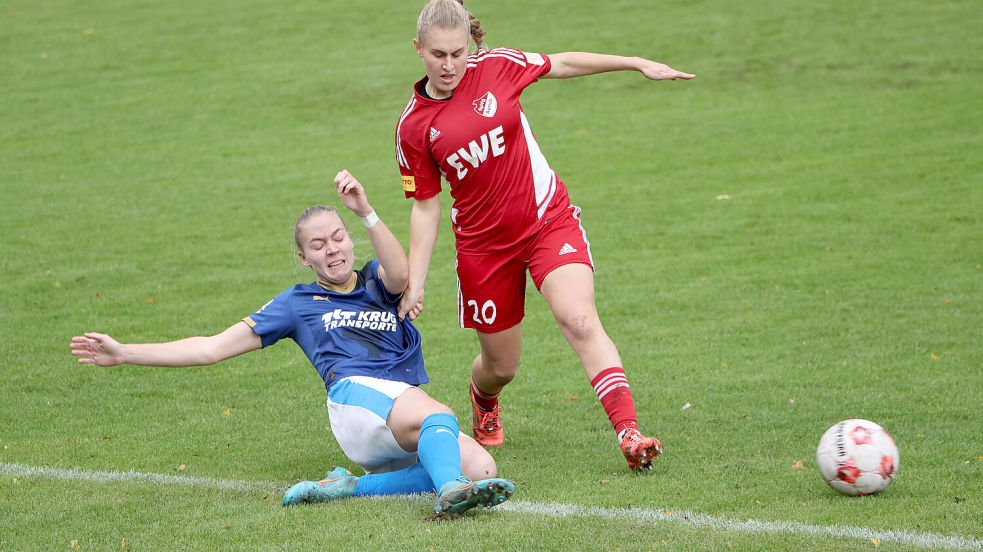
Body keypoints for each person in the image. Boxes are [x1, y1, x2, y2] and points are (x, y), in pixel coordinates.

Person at [69, 171, 515, 518]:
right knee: (439, 417)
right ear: (304, 258)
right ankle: (450, 492)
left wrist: (365, 212)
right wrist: (124, 352)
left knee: (481, 468)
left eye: (338, 237)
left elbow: (402, 275)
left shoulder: (374, 281)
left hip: (398, 406)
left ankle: (349, 488)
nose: (332, 250)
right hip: (356, 401)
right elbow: (211, 348)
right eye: (318, 245)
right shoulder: (296, 304)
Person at [394, 0, 695, 471]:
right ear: (418, 49)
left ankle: (629, 434)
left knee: (579, 319)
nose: (450, 65)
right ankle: (484, 399)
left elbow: (562, 63)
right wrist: (416, 281)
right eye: (438, 55)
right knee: (501, 367)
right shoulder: (414, 126)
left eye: (457, 53)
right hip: (483, 250)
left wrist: (635, 63)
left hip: (546, 221)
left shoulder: (497, 67)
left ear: (469, 46)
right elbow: (426, 206)